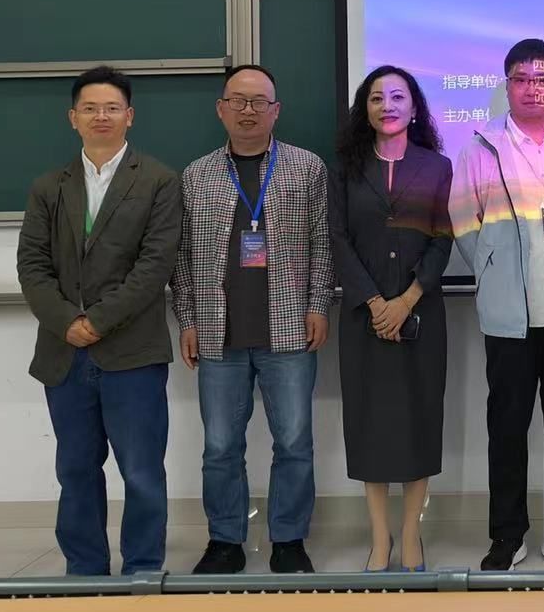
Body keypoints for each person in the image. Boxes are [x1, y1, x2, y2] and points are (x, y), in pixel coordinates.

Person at [16, 66, 181, 575]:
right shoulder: (49, 187)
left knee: (142, 471)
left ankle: (143, 568)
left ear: (129, 116)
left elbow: (155, 266)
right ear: (73, 118)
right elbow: (32, 266)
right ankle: (84, 570)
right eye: (90, 108)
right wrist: (68, 322)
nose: (101, 116)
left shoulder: (159, 181)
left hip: (133, 354)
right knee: (75, 470)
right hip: (64, 354)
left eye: (111, 108)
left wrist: (98, 321)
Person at [173, 64, 333, 575]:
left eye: (259, 101)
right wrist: (188, 319)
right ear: (220, 109)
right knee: (220, 446)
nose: (248, 110)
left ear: (275, 110)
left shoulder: (307, 168)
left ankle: (289, 539)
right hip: (218, 332)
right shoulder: (196, 174)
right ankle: (225, 541)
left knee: (294, 442)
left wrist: (318, 304)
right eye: (238, 101)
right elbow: (182, 256)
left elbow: (322, 242)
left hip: (288, 330)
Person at [452, 39, 544, 573]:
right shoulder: (481, 149)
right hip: (510, 317)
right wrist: (493, 270)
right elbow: (464, 223)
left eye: (543, 79)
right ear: (507, 85)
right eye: (521, 78)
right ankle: (507, 536)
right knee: (508, 428)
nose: (532, 88)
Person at [329, 66, 453, 573]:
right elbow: (337, 239)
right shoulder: (345, 168)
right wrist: (376, 303)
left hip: (422, 314)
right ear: (366, 109)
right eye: (377, 98)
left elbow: (443, 237)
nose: (388, 106)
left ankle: (410, 536)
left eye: (398, 97)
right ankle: (379, 539)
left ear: (414, 108)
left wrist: (407, 299)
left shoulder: (438, 167)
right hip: (364, 317)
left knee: (420, 421)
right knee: (370, 424)